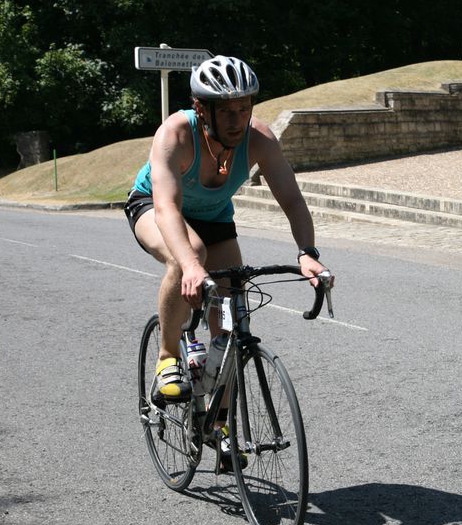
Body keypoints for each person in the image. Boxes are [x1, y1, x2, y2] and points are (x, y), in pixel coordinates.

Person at [124, 55, 331, 407]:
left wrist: (308, 253)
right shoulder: (175, 134)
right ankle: (167, 357)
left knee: (230, 317)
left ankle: (220, 423)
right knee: (189, 254)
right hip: (154, 207)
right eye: (227, 112)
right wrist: (190, 265)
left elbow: (293, 200)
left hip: (215, 218)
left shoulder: (260, 139)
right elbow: (167, 209)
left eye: (244, 109)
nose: (238, 121)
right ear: (201, 108)